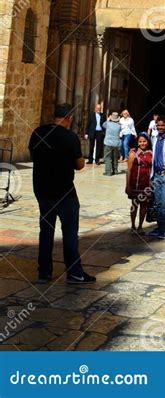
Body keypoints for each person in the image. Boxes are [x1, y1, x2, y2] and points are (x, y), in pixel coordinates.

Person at [28, 103, 96, 285]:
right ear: (70, 119)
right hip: (65, 193)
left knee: (46, 231)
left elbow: (33, 156)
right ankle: (74, 272)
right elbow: (80, 165)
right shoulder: (70, 138)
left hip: (42, 191)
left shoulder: (38, 133)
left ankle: (44, 272)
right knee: (69, 232)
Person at [126, 132, 153, 234]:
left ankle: (140, 226)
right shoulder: (133, 153)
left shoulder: (151, 153)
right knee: (134, 205)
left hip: (146, 184)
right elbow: (128, 170)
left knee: (144, 205)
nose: (142, 143)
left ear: (148, 142)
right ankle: (133, 225)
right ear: (137, 143)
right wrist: (127, 185)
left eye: (144, 141)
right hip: (135, 183)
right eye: (140, 141)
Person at [103, 111, 122, 175]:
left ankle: (108, 172)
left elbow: (103, 125)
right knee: (115, 158)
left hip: (108, 143)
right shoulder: (119, 125)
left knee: (108, 157)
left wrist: (108, 119)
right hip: (116, 143)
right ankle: (115, 171)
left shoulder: (108, 123)